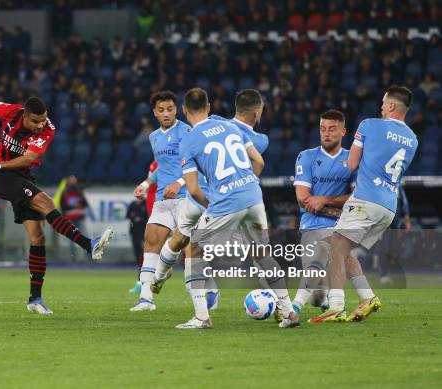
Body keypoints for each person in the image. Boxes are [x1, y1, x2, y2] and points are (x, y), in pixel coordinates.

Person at [0, 96, 113, 315]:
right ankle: (88, 245)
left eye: (43, 120)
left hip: (21, 175)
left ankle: (35, 299)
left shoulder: (48, 130)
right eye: (35, 122)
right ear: (24, 116)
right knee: (45, 201)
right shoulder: (10, 112)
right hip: (4, 177)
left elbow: (28, 159)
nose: (40, 126)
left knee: (38, 236)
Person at [176, 88, 299, 329]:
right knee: (263, 254)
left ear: (183, 110)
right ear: (209, 106)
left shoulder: (188, 140)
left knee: (192, 250)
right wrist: (245, 187)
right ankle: (289, 312)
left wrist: (214, 205)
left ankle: (202, 317)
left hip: (226, 201)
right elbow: (259, 161)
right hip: (253, 197)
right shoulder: (230, 127)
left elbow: (192, 189)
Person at [151, 89, 272, 320]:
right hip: (230, 199)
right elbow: (257, 160)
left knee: (180, 240)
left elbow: (192, 181)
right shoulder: (238, 131)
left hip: (201, 198)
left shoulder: (198, 133)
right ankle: (277, 303)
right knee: (259, 250)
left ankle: (158, 279)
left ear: (184, 110)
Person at [310, 86, 418, 323]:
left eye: (383, 102)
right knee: (344, 249)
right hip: (389, 206)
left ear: (391, 105)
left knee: (335, 247)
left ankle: (336, 306)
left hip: (366, 199)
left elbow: (350, 165)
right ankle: (367, 297)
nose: (381, 106)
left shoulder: (369, 125)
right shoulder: (412, 139)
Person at [131, 91, 190, 312]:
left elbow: (198, 165)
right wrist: (145, 185)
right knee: (151, 242)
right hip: (162, 199)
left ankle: (208, 294)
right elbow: (159, 169)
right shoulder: (154, 136)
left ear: (177, 109)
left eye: (170, 109)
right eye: (162, 110)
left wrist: (180, 183)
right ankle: (146, 299)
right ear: (155, 112)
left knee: (191, 249)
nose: (166, 114)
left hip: (185, 197)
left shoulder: (186, 132)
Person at [292, 109, 355, 315]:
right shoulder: (307, 157)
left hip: (337, 229)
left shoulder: (352, 160)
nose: (326, 133)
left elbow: (355, 199)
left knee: (331, 250)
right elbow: (303, 199)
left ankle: (296, 307)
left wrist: (324, 201)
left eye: (331, 129)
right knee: (318, 296)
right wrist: (335, 211)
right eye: (322, 129)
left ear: (343, 131)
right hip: (311, 225)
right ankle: (325, 301)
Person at [60, 175, 88, 261]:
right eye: (72, 181)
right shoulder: (64, 192)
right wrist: (73, 206)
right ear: (68, 182)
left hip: (79, 217)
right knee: (72, 239)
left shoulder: (79, 191)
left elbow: (85, 203)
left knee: (84, 237)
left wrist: (80, 204)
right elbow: (63, 206)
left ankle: (88, 256)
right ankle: (73, 258)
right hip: (70, 218)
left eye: (74, 181)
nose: (73, 183)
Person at [126, 197, 148, 292]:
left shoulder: (148, 203)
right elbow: (128, 215)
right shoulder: (134, 204)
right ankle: (141, 282)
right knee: (141, 256)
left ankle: (146, 282)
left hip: (146, 232)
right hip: (136, 232)